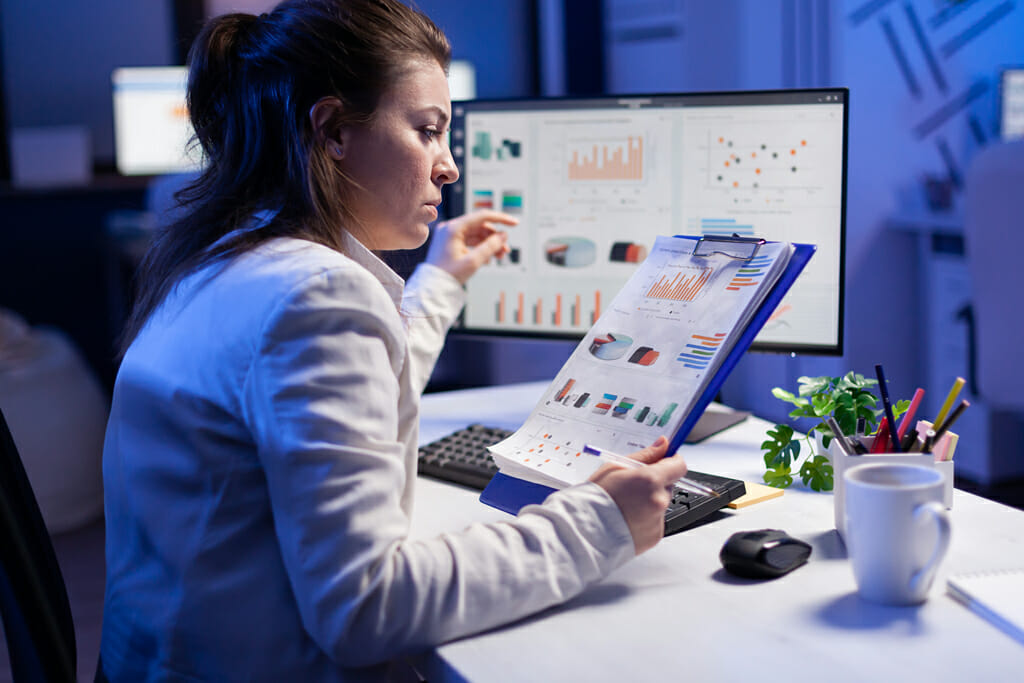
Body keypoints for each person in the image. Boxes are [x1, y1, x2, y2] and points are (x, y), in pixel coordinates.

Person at [99, 1, 691, 680]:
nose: (449, 168)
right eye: (427, 131)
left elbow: (353, 383)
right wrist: (601, 523)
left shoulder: (221, 260)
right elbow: (364, 607)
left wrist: (440, 279)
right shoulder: (314, 292)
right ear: (332, 130)